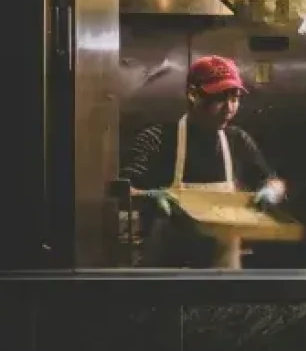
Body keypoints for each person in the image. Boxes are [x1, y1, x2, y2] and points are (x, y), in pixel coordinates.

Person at [121, 55, 287, 269]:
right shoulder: (158, 139)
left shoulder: (237, 140)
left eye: (235, 98)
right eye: (219, 98)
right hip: (167, 273)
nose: (229, 108)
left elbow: (273, 181)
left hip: (222, 271)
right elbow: (125, 191)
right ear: (192, 94)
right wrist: (149, 197)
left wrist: (271, 192)